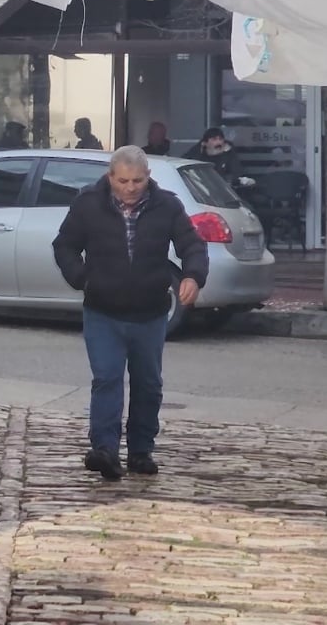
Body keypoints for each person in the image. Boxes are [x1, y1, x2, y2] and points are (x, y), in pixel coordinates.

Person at [51, 146, 209, 481]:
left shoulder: (167, 206)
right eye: (123, 180)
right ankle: (105, 449)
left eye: (137, 180)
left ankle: (140, 450)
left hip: (150, 312)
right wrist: (81, 278)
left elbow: (192, 245)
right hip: (102, 310)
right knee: (106, 378)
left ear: (147, 177)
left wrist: (194, 275)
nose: (130, 187)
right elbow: (64, 245)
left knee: (148, 383)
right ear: (111, 177)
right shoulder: (88, 204)